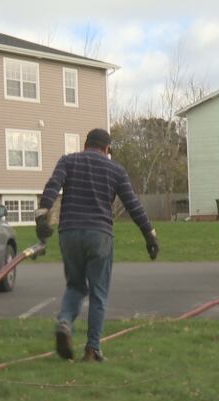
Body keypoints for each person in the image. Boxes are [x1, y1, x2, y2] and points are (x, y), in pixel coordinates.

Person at [35, 128, 159, 362]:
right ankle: (92, 350)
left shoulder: (68, 161)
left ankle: (64, 322)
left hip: (69, 233)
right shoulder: (115, 170)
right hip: (99, 235)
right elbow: (133, 205)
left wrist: (43, 214)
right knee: (98, 293)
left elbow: (53, 186)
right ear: (107, 149)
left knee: (75, 285)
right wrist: (149, 235)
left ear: (85, 145)